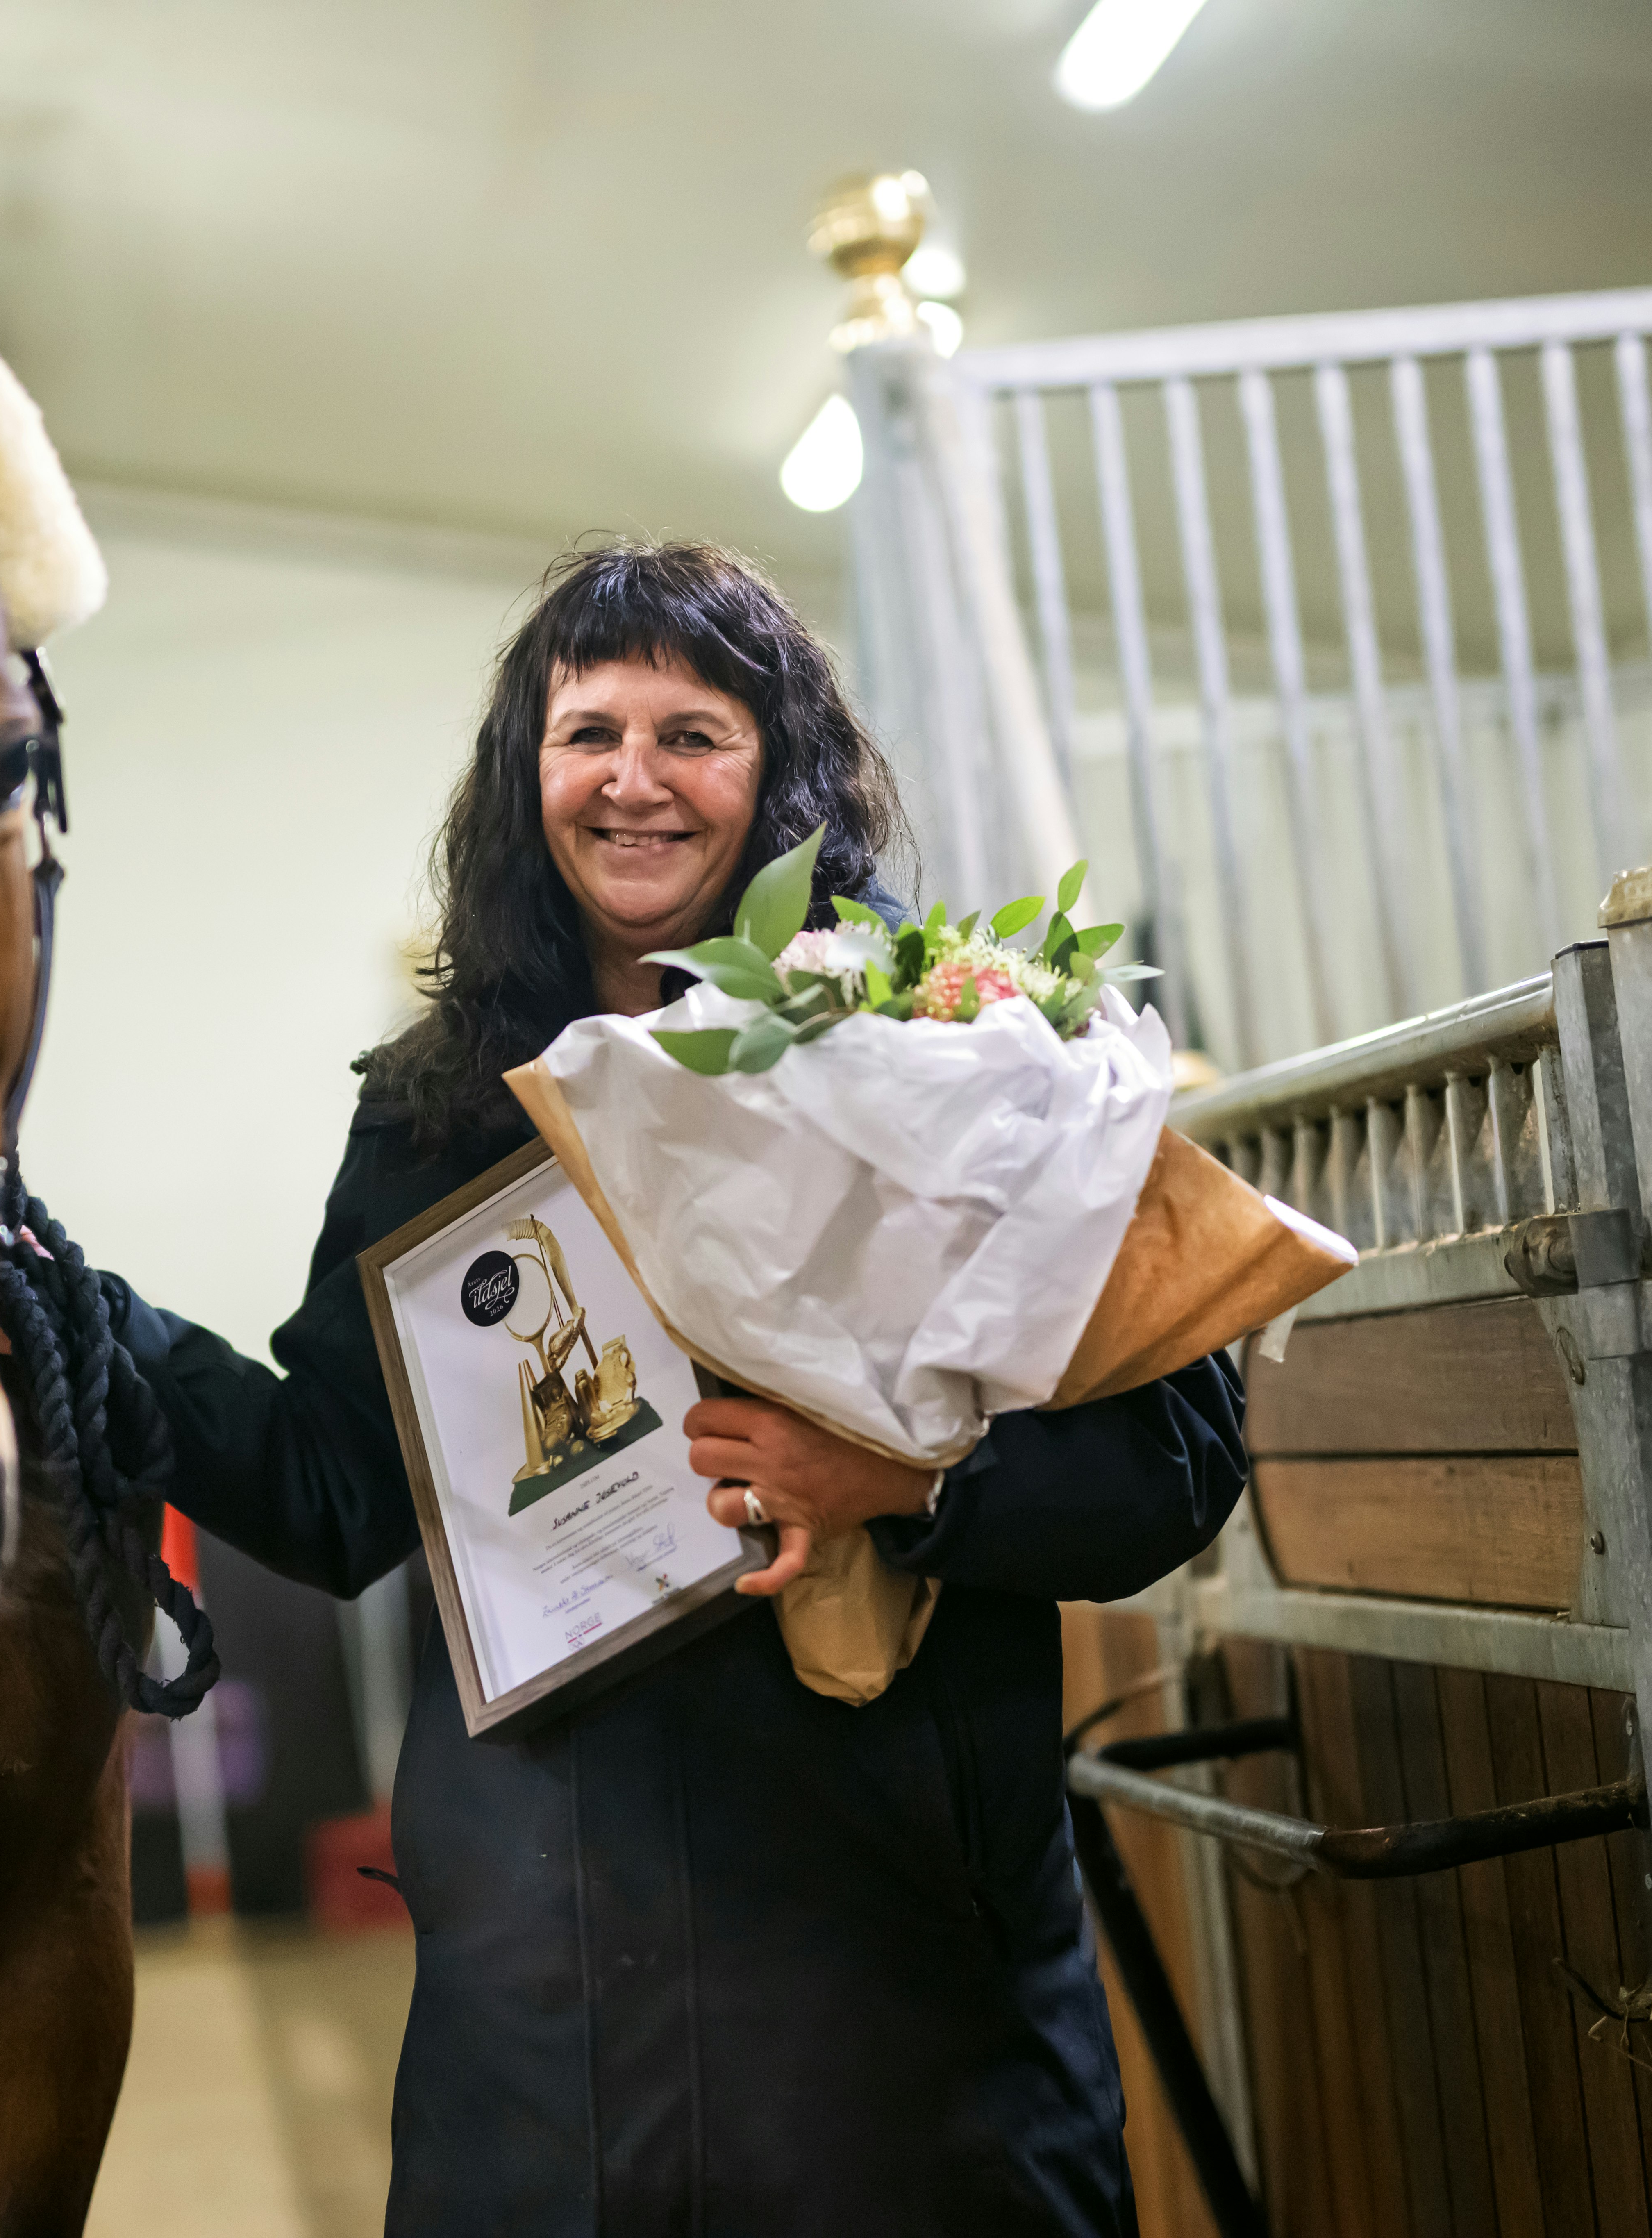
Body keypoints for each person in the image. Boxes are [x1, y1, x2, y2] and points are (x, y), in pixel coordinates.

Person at [99, 540, 1246, 2237]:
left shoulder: (951, 1047)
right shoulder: (437, 1113)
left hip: (896, 1982)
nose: (633, 777)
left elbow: (1174, 1460)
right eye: (588, 732)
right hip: (549, 2002)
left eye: (691, 731)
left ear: (777, 773)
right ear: (528, 776)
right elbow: (339, 1492)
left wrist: (903, 1483)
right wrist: (74, 1305)